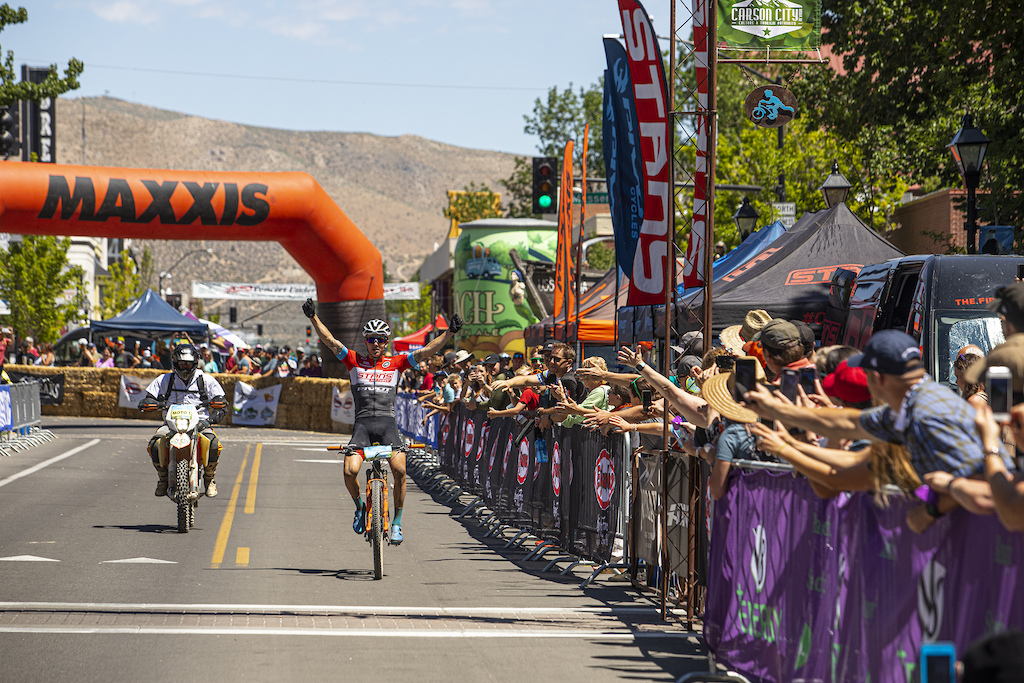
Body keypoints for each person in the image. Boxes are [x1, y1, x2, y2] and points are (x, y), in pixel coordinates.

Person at [743, 330, 1016, 526]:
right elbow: (848, 422)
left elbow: (985, 486)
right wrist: (778, 410)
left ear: (877, 378)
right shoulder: (913, 402)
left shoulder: (923, 417)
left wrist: (930, 510)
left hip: (993, 548)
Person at [303, 297, 463, 544]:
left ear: (386, 342)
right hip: (363, 426)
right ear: (365, 341)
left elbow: (428, 350)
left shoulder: (397, 363)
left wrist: (450, 333)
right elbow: (331, 342)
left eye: (380, 339)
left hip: (388, 425)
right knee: (349, 471)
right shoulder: (354, 360)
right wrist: (313, 317)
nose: (376, 343)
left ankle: (397, 522)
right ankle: (359, 507)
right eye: (371, 339)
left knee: (399, 470)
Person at [139, 344, 227, 497]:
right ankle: (163, 478)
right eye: (182, 363)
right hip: (171, 424)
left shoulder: (206, 380)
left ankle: (209, 478)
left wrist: (210, 420)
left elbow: (222, 403)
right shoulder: (165, 379)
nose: (185, 367)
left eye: (188, 364)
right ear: (175, 363)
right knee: (154, 444)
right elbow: (149, 398)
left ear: (195, 363)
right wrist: (150, 403)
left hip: (200, 423)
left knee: (213, 443)